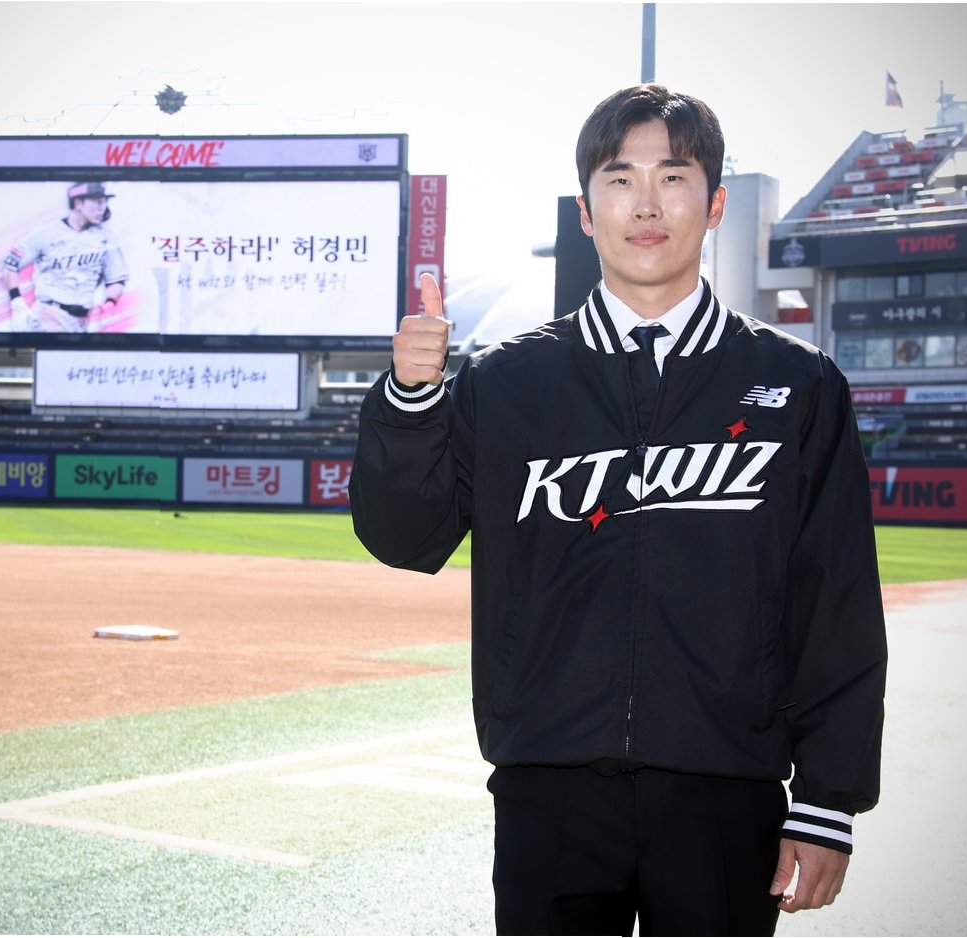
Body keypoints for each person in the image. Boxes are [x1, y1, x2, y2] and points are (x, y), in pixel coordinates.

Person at [350, 84, 887, 936]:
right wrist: (413, 401)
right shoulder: (506, 382)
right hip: (549, 792)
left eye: (673, 178)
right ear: (584, 211)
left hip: (727, 794)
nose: (645, 204)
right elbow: (405, 537)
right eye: (619, 178)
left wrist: (828, 801)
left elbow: (837, 602)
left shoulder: (799, 385)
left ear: (714, 205)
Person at [2, 182, 128, 333]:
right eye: (97, 201)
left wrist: (110, 302)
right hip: (49, 314)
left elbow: (116, 279)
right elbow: (11, 264)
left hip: (83, 321)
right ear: (78, 203)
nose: (102, 207)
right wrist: (16, 302)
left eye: (104, 201)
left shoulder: (106, 238)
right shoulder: (48, 232)